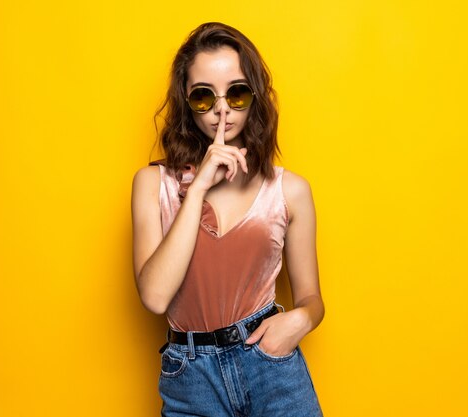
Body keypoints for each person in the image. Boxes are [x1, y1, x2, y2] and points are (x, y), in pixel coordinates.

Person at [131, 22, 324, 417]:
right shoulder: (153, 185)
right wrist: (197, 187)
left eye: (236, 93)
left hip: (271, 368)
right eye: (204, 97)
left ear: (254, 97)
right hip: (191, 379)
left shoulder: (290, 191)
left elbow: (312, 299)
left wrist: (299, 321)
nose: (222, 109)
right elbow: (154, 297)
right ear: (187, 103)